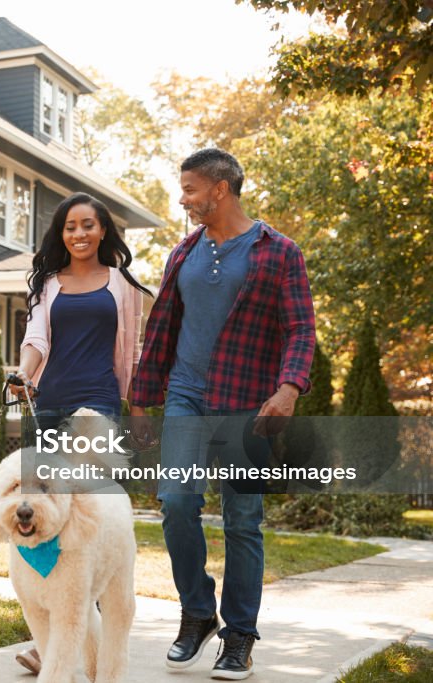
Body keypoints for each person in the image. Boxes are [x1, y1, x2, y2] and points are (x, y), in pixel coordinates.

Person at [129, 149, 315, 680]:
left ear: (220, 189)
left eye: (189, 189)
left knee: (241, 520)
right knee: (177, 504)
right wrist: (142, 399)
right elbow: (161, 331)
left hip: (248, 402)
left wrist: (289, 388)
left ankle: (239, 636)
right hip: (186, 395)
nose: (183, 199)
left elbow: (300, 328)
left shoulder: (278, 252)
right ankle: (196, 613)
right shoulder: (183, 252)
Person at [9, 191, 151, 675]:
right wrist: (23, 373)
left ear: (104, 229)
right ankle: (54, 639)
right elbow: (35, 339)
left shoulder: (122, 285)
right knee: (48, 519)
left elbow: (132, 352)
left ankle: (78, 635)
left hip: (100, 406)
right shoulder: (48, 284)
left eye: (88, 225)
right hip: (49, 404)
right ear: (61, 233)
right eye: (71, 226)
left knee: (89, 517)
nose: (79, 234)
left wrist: (140, 408)